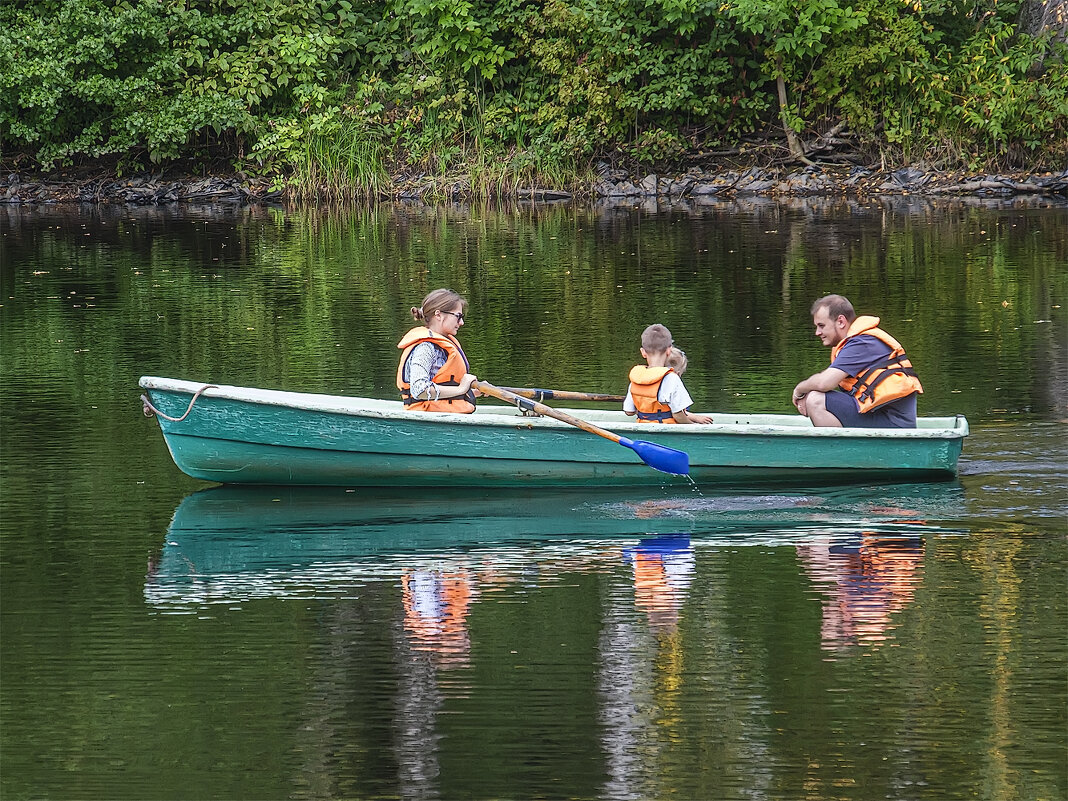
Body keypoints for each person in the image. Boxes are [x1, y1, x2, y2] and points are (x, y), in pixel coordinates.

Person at [792, 294, 922, 428]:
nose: (817, 332)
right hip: (880, 417)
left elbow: (824, 383)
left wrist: (799, 389)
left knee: (815, 400)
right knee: (815, 397)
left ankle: (836, 449)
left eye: (821, 325)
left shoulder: (862, 343)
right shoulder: (856, 342)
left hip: (894, 424)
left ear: (841, 322)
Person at [396, 288, 478, 413]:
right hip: (426, 416)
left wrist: (471, 390)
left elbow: (444, 384)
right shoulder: (425, 348)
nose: (461, 322)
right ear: (438, 315)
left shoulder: (442, 346)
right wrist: (461, 389)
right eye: (458, 316)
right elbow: (419, 389)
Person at [624, 324, 712, 424]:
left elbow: (629, 411)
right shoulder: (672, 378)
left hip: (642, 427)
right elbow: (678, 415)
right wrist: (692, 426)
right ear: (669, 350)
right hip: (665, 429)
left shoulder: (637, 378)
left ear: (643, 352)